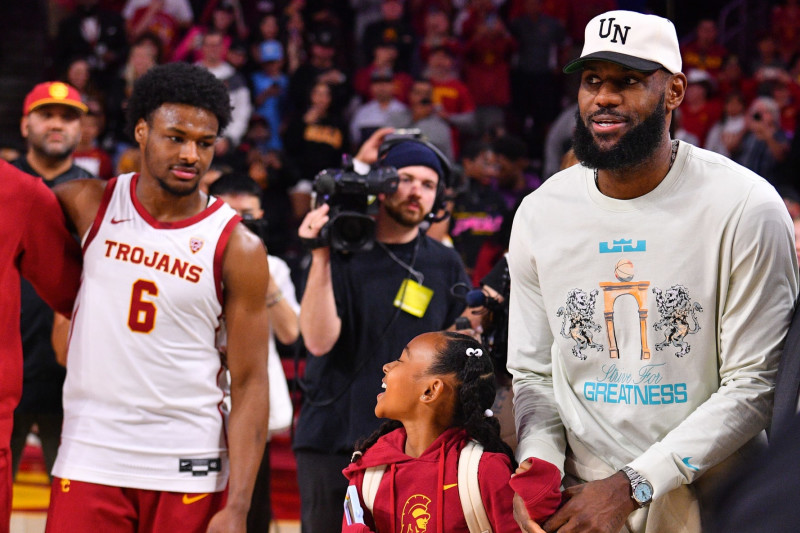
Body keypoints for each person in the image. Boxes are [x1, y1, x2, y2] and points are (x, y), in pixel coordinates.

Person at [507, 10, 798, 533]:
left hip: (712, 497)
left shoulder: (747, 206)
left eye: (629, 82)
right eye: (593, 81)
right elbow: (533, 373)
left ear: (675, 92)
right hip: (583, 498)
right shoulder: (539, 212)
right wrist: (540, 461)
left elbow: (753, 386)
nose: (604, 98)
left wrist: (631, 485)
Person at [45, 62, 271, 533]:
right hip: (90, 457)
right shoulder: (85, 203)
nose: (191, 154)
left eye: (204, 143)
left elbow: (251, 383)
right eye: (176, 137)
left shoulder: (237, 246)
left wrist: (238, 506)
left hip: (190, 463)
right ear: (143, 132)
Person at [293, 129, 474, 533]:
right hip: (332, 436)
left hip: (410, 443)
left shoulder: (444, 263)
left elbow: (456, 352)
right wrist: (320, 255)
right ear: (382, 184)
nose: (416, 191)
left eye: (428, 184)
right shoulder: (339, 248)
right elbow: (318, 341)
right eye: (405, 179)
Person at [342, 331, 518, 532]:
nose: (387, 366)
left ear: (430, 391)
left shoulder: (485, 471)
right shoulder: (369, 469)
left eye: (401, 360)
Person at [10, 82, 93, 481]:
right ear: (26, 125)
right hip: (7, 370)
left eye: (68, 117)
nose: (57, 124)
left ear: (83, 130)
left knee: (77, 507)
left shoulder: (103, 198)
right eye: (47, 115)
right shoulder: (5, 187)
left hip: (76, 381)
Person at [209, 173, 300, 533]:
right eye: (230, 214)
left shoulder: (274, 266)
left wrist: (259, 271)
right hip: (201, 389)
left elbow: (291, 331)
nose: (238, 225)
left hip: (252, 392)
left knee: (252, 503)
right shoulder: (191, 258)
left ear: (261, 214)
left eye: (246, 215)